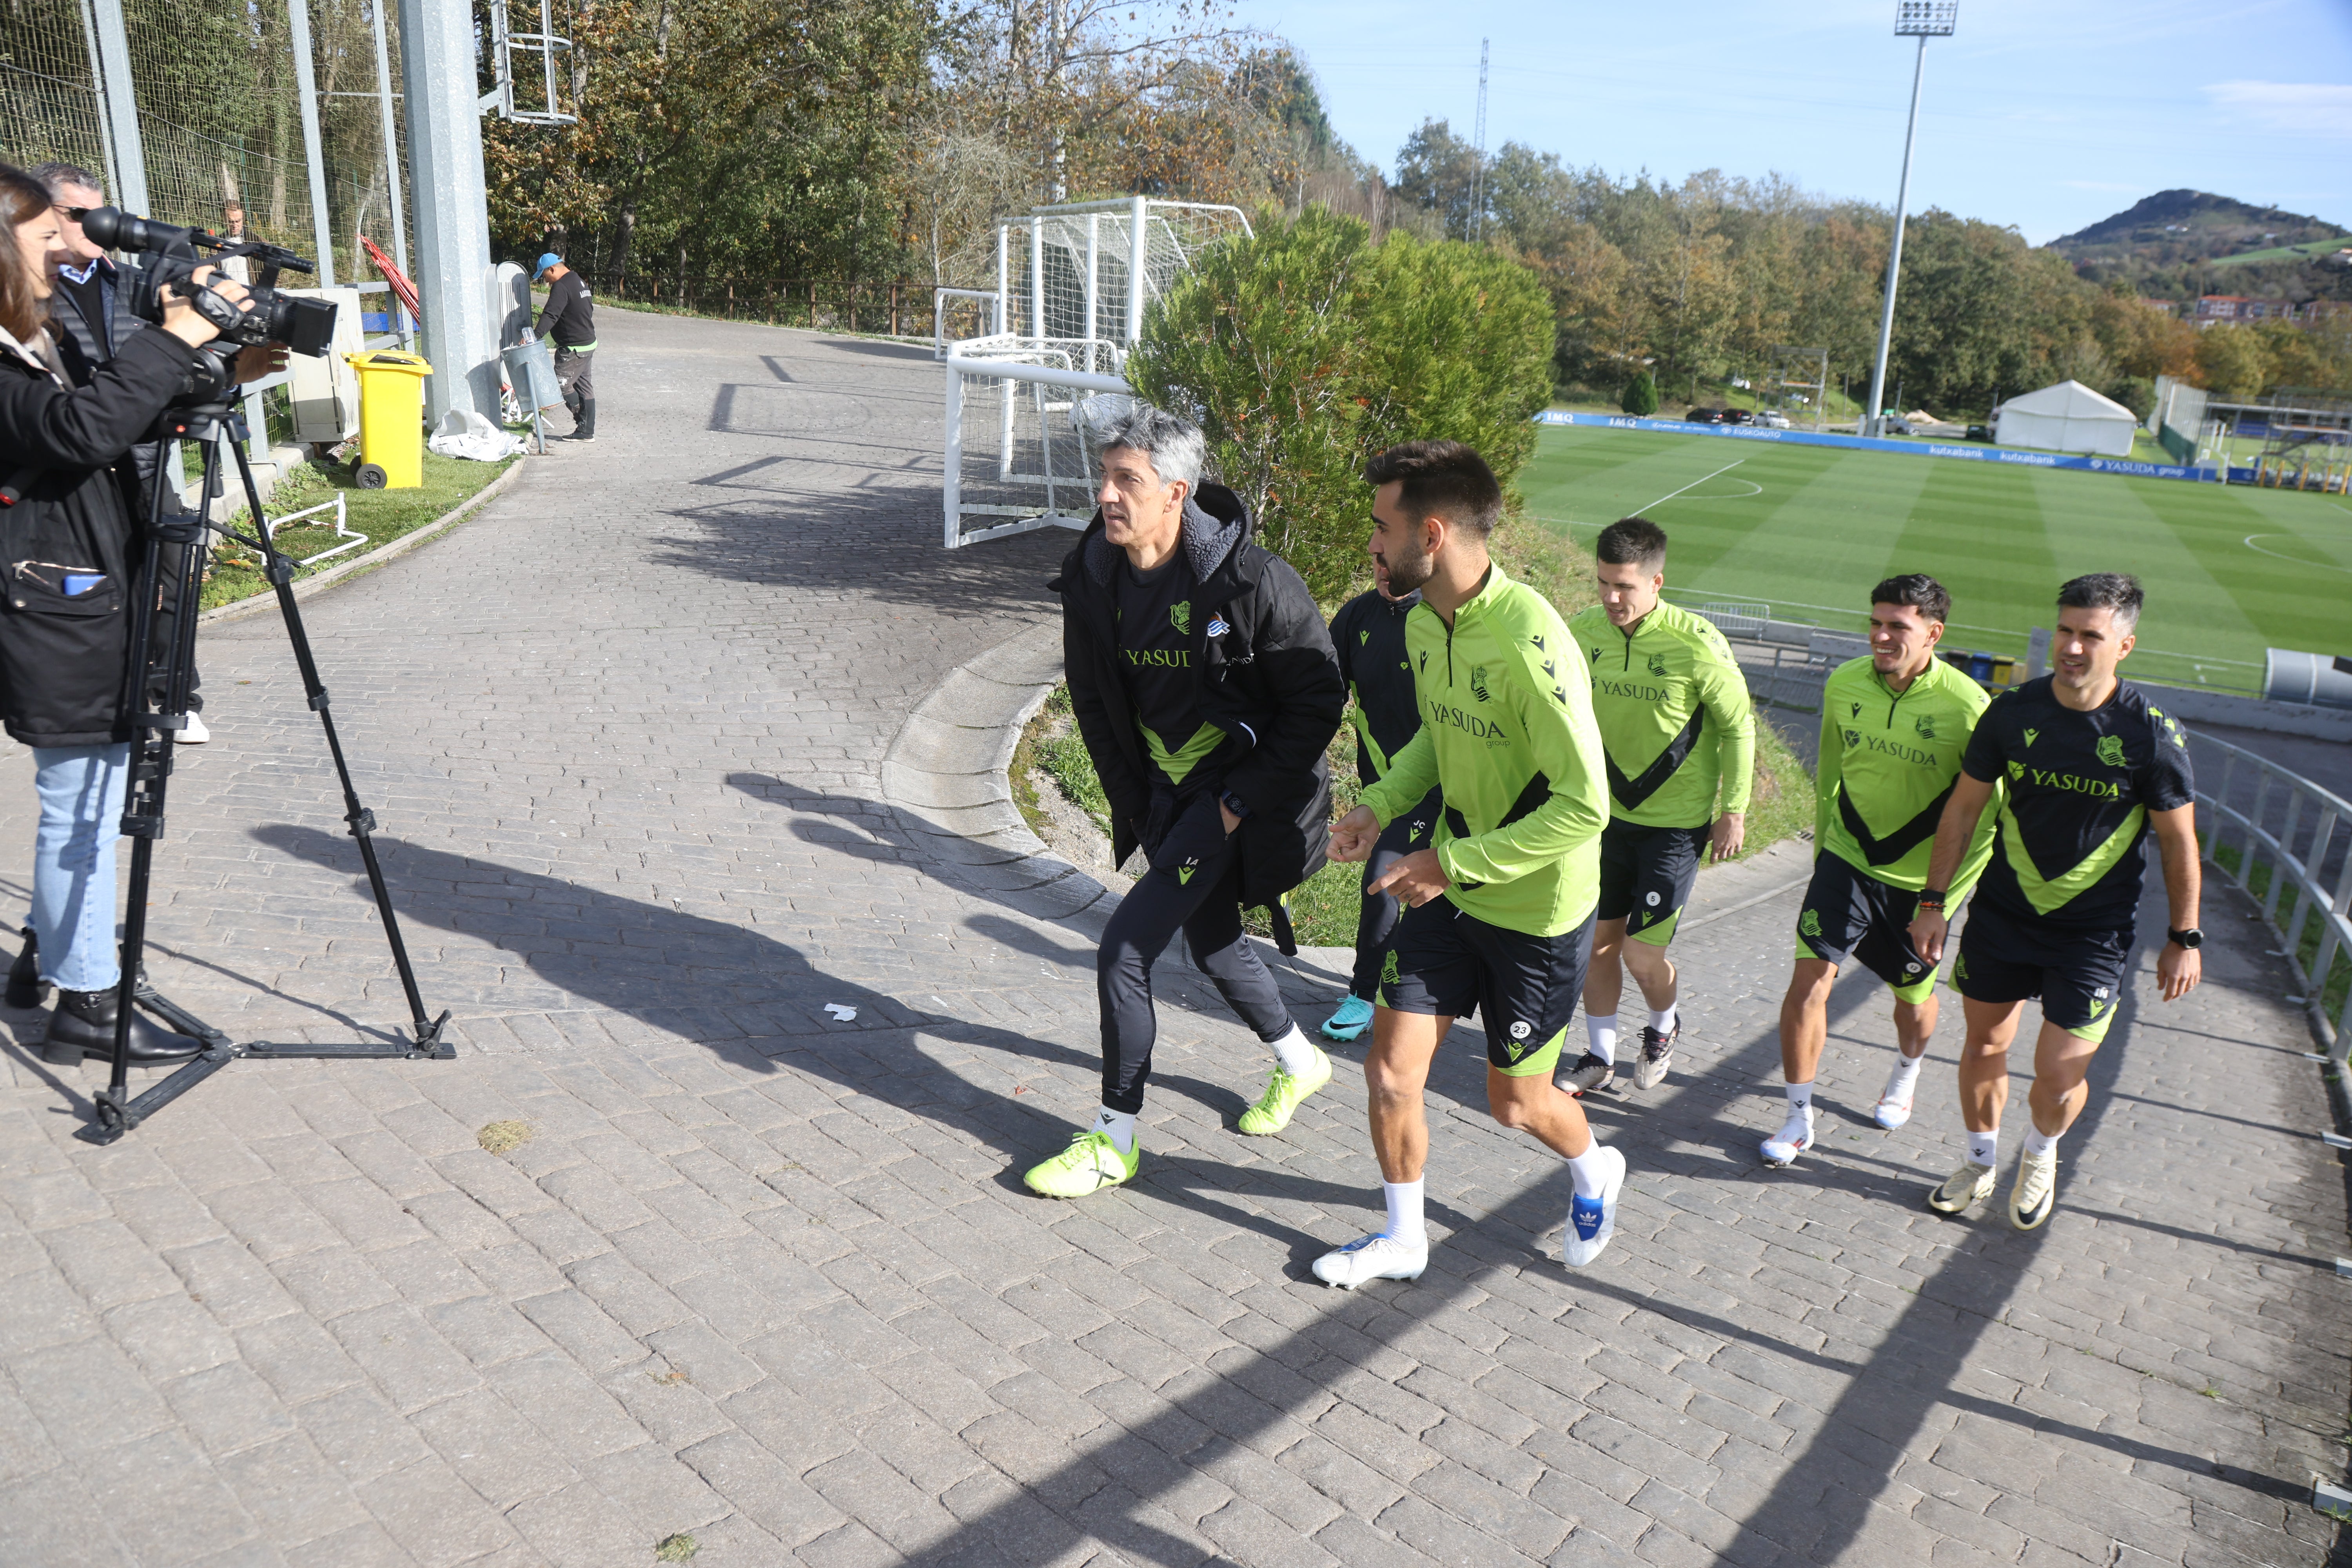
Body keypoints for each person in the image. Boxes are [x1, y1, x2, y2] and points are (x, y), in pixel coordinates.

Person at [1317, 440, 1624, 1288]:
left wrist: (1450, 863)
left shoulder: (1534, 643)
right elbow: (1436, 736)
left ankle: (1597, 1168)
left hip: (1537, 910)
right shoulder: (1422, 620)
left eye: (1383, 527)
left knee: (1516, 1103)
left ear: (1436, 532)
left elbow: (1583, 806)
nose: (1372, 545)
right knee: (1389, 1069)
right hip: (1451, 889)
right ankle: (1404, 1238)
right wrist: (1378, 804)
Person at [1022, 403, 1344, 1198]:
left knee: (1125, 949)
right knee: (1212, 940)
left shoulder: (1251, 579)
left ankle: (1114, 1138)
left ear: (1178, 491)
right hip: (1165, 795)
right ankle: (1301, 1060)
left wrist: (1238, 800)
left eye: (1127, 479)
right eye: (1104, 477)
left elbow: (1317, 698)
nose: (1107, 495)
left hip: (1233, 791)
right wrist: (1134, 804)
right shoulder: (1093, 574)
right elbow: (1093, 700)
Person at [0, 162, 265, 1063]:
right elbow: (76, 432)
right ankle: (87, 1000)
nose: (60, 254)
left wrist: (209, 366)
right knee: (80, 806)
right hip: (55, 604)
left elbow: (91, 428)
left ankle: (47, 958)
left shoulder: (32, 338)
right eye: (43, 240)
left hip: (80, 592)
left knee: (78, 799)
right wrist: (188, 327)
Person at [1908, 574, 2201, 1229]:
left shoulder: (2152, 735)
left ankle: (2040, 1153)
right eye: (2065, 630)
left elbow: (2180, 843)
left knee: (2059, 1076)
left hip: (2093, 934)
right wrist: (1933, 904)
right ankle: (1981, 1162)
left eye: (2090, 636)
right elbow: (1962, 811)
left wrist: (2185, 937)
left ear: (2124, 645)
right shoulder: (2012, 711)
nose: (2072, 647)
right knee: (1984, 1045)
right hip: (2004, 917)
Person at [1761, 575, 1998, 1167]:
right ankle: (1796, 1119)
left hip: (1919, 887)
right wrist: (1821, 863)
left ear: (1933, 634)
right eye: (1876, 623)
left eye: (1900, 626)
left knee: (1912, 1000)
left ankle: (1907, 1071)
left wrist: (1940, 904)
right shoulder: (1844, 684)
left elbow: (1985, 822)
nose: (1883, 636)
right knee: (1809, 982)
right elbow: (1829, 776)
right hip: (1846, 860)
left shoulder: (1969, 707)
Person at [1560, 518, 1753, 1096]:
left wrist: (1735, 810)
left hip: (1673, 827)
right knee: (1596, 943)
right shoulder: (1582, 633)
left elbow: (1739, 727)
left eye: (1625, 586)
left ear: (1657, 581)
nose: (1612, 598)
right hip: (1603, 820)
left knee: (1644, 958)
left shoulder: (1697, 642)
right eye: (1603, 583)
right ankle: (1598, 1057)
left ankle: (1663, 1027)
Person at [30, 160, 210, 743]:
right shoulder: (31, 294)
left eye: (99, 214)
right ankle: (109, 702)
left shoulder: (135, 283)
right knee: (102, 588)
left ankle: (175, 694)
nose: (93, 227)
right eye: (76, 216)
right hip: (78, 472)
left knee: (174, 577)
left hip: (149, 461)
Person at [1318, 564, 1441, 1044]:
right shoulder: (1356, 617)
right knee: (1384, 882)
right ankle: (1364, 996)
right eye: (1376, 557)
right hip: (1390, 792)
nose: (1383, 568)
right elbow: (1324, 693)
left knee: (1438, 896)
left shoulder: (1439, 620)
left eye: (1392, 557)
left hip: (1451, 788)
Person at [533, 252, 596, 441]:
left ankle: (583, 423)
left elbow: (551, 315)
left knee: (559, 383)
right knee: (585, 387)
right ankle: (586, 431)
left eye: (545, 276)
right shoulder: (578, 280)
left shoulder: (561, 286)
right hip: (588, 343)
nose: (547, 282)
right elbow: (589, 309)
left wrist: (535, 337)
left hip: (574, 348)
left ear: (552, 269)